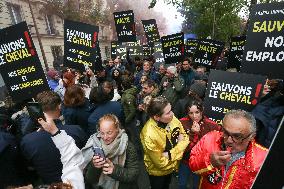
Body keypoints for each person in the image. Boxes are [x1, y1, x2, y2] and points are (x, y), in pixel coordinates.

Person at [39, 114, 139, 189]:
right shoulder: (94, 143)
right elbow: (90, 179)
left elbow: (134, 174)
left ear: (117, 129)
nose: (105, 137)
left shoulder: (127, 146)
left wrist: (114, 170)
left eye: (109, 133)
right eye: (102, 133)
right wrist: (95, 166)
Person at [20, 91, 87, 184]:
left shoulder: (27, 141)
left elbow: (30, 166)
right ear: (59, 106)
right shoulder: (76, 131)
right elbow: (86, 155)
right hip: (79, 181)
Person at [189, 110, 268, 189]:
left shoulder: (264, 158)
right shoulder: (210, 138)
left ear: (252, 136)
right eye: (226, 132)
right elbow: (193, 166)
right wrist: (210, 162)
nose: (229, 141)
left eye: (237, 136)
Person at [140, 96, 189, 189]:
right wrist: (179, 149)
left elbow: (185, 138)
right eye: (168, 113)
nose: (172, 114)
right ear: (157, 117)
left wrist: (170, 154)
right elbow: (160, 164)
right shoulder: (148, 134)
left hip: (171, 168)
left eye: (171, 110)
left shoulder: (172, 118)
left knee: (167, 185)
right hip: (157, 173)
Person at [178, 100, 221, 189]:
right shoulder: (181, 123)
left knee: (197, 185)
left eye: (197, 112)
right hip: (185, 161)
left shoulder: (212, 125)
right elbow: (182, 148)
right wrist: (193, 133)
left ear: (202, 110)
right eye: (191, 113)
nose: (194, 116)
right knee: (182, 184)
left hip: (201, 163)